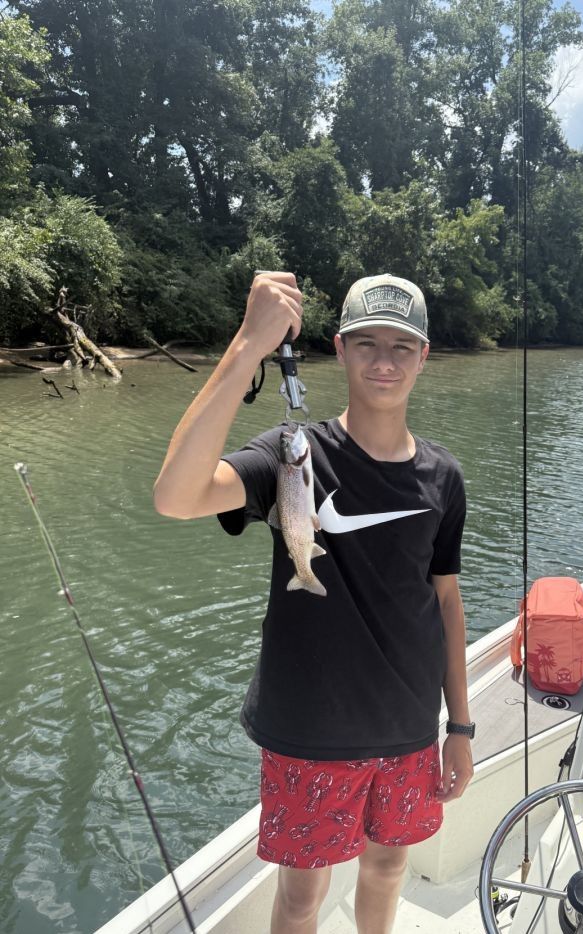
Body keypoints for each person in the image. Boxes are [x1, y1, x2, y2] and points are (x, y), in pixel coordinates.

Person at [153, 271, 473, 934]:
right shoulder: (290, 454)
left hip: (410, 727)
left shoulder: (443, 475)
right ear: (340, 348)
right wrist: (248, 345)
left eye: (401, 347)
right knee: (301, 898)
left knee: (387, 871)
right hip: (309, 732)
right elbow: (176, 497)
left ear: (424, 356)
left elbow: (445, 598)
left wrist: (460, 729)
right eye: (366, 345)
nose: (384, 362)